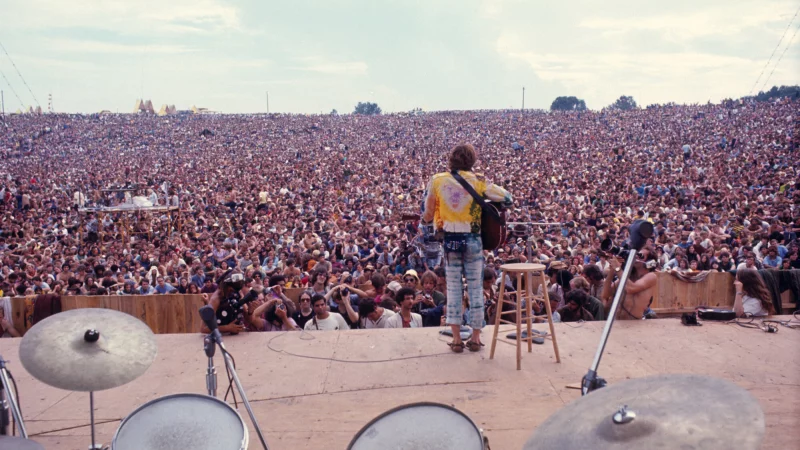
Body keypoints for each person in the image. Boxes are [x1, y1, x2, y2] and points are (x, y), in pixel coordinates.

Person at [422, 144, 512, 353]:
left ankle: (455, 340)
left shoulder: (437, 180)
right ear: (472, 160)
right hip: (473, 239)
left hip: (451, 240)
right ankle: (476, 338)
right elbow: (507, 197)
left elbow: (427, 212)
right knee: (476, 289)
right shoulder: (478, 180)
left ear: (451, 159)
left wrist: (430, 219)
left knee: (453, 290)